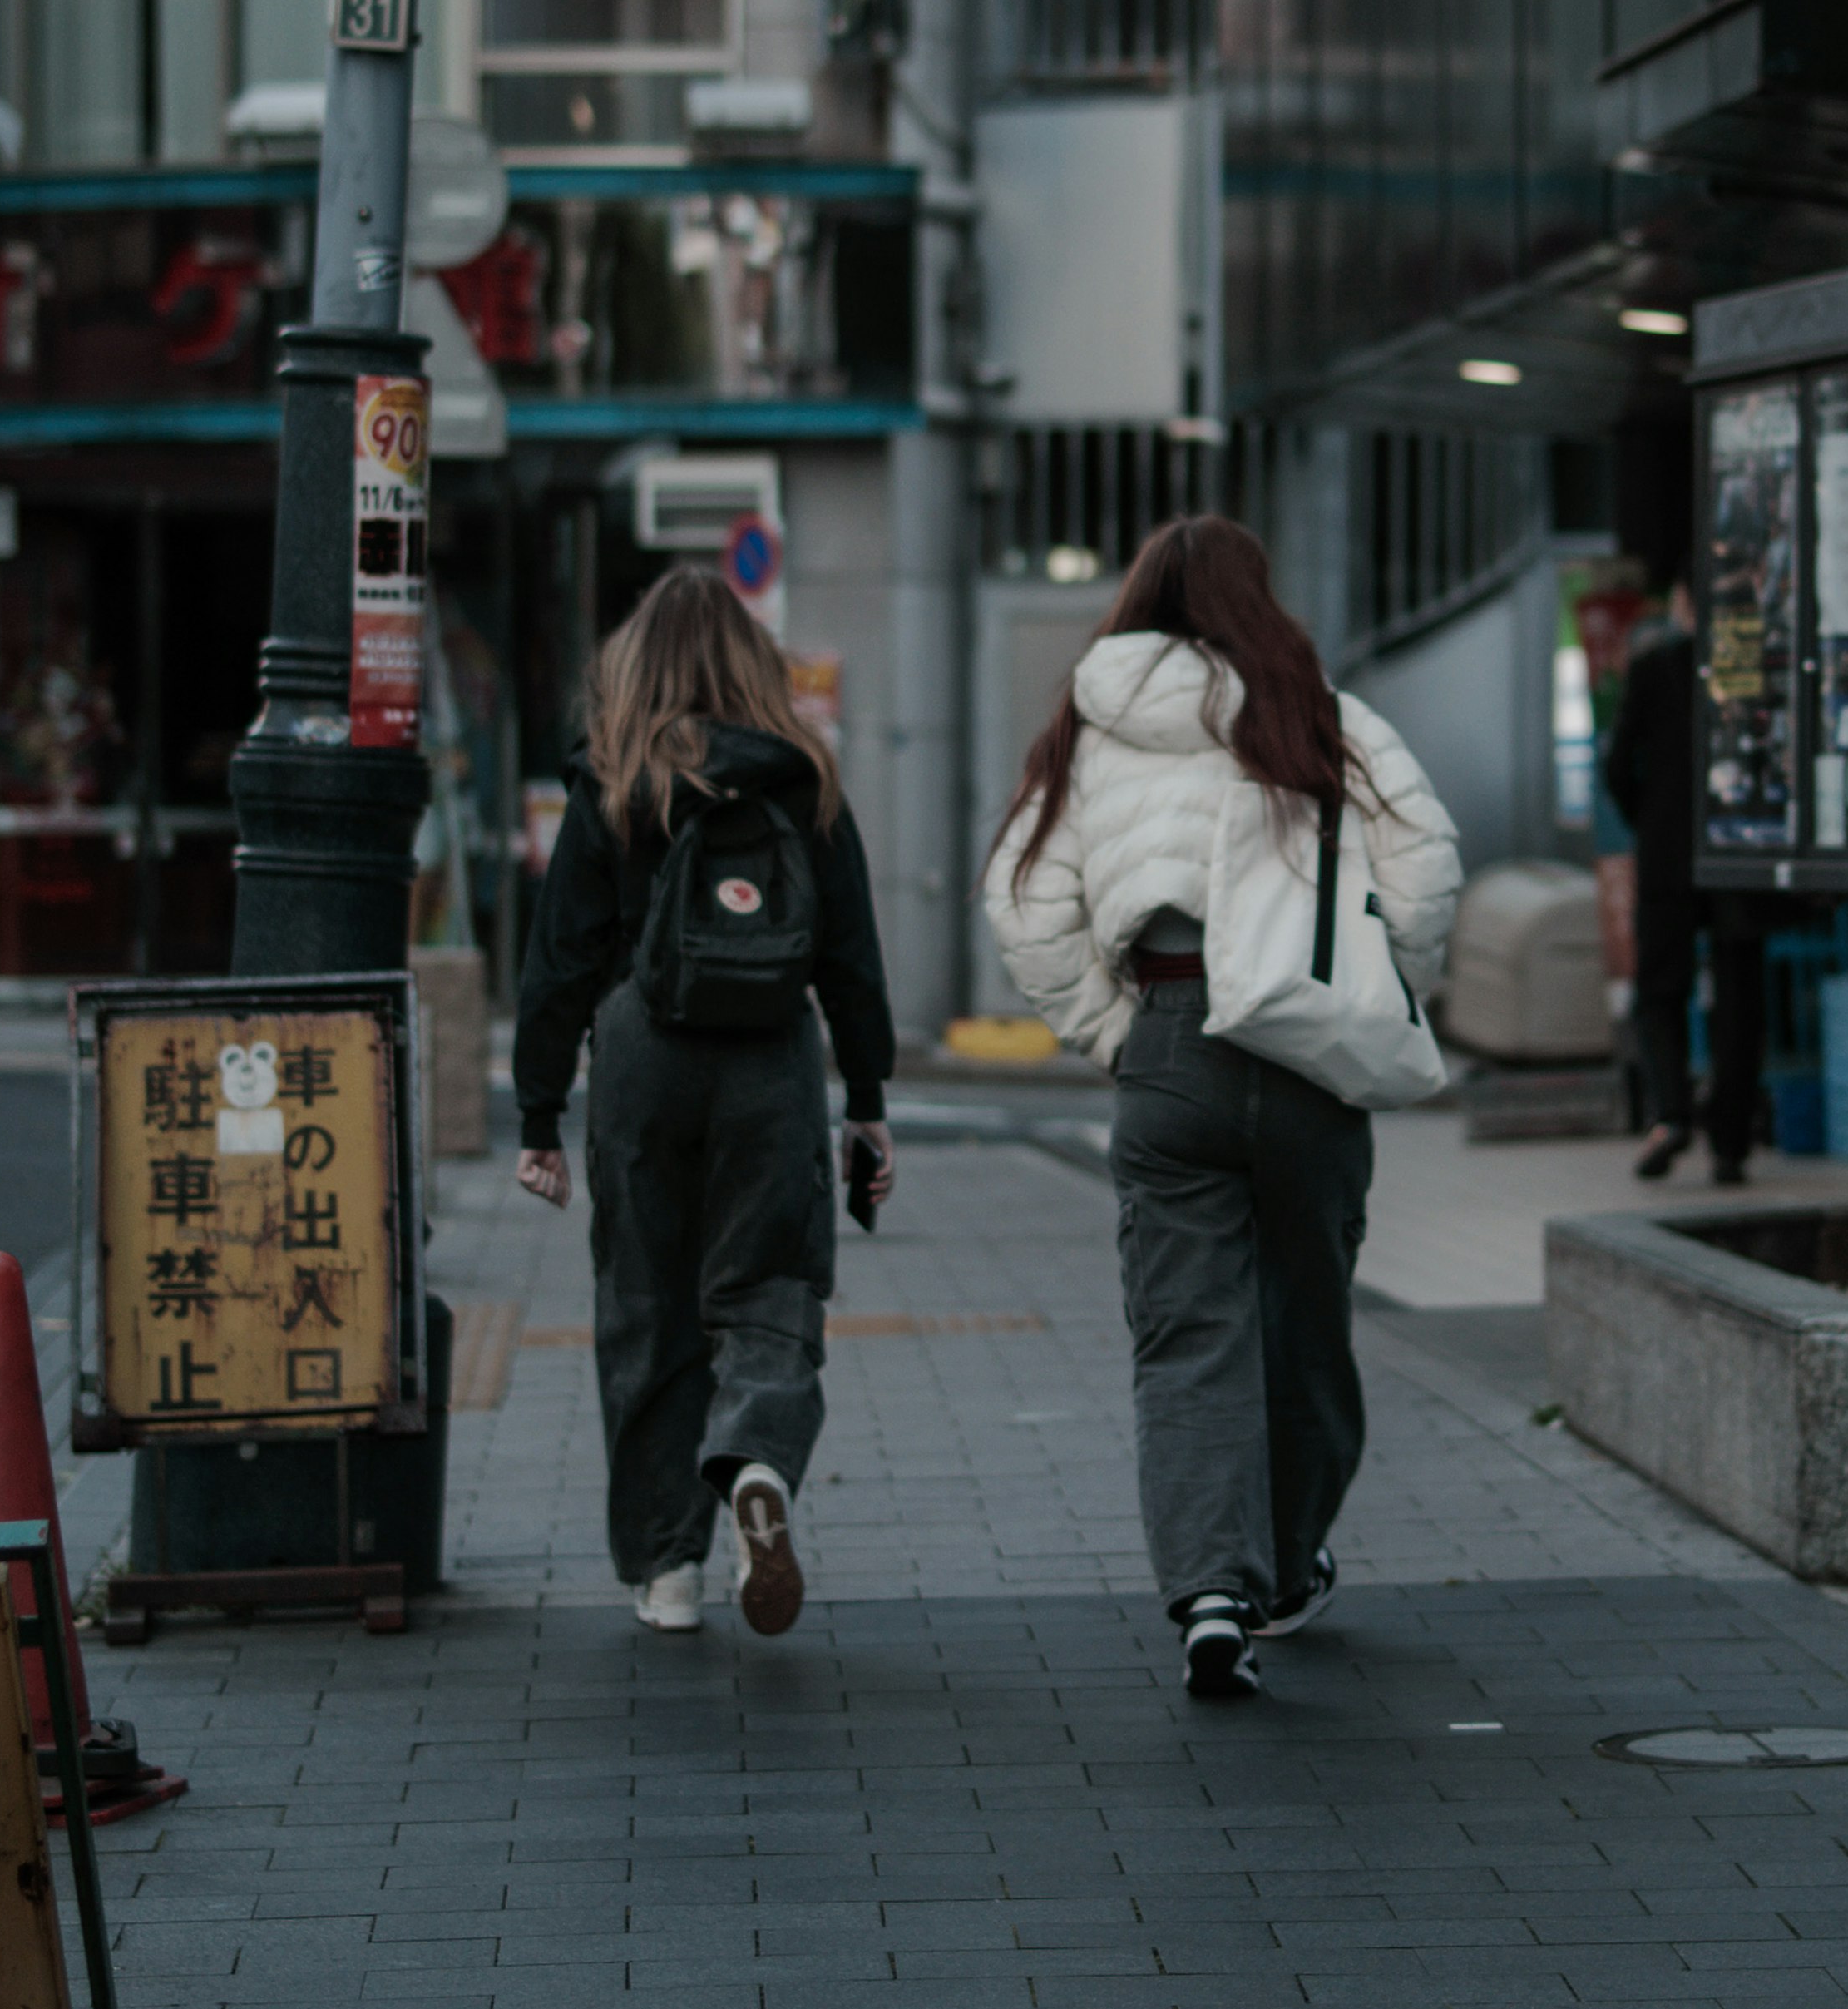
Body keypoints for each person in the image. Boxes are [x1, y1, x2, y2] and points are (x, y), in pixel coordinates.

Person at [981, 516, 1460, 1702]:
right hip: (1306, 1049)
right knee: (1306, 1325)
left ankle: (1210, 1595)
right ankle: (1289, 1570)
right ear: (1258, 598)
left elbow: (1021, 899)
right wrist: (1373, 981)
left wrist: (1112, 1030)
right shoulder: (1316, 712)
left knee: (1189, 1334)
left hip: (1170, 1038)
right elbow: (1430, 866)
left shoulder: (1086, 734)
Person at [514, 565, 897, 1638]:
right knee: (770, 1288)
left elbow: (560, 959)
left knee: (646, 1308)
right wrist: (866, 1097)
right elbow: (851, 956)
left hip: (642, 1047)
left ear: (636, 665)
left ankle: (666, 1570)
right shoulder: (803, 779)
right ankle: (757, 1469)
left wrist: (539, 1114)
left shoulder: (615, 776)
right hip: (771, 1056)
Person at [1603, 576, 1764, 1188]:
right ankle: (1731, 1142)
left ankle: (1670, 1113)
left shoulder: (1654, 667)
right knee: (1739, 994)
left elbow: (1618, 765)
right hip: (1742, 850)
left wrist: (1648, 816)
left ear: (1682, 602)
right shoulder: (1751, 670)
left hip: (1668, 850)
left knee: (1660, 990)